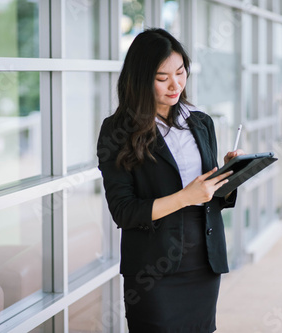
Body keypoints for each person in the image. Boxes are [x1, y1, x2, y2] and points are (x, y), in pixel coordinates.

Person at [96, 28, 244, 332]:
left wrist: (229, 175)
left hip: (203, 260)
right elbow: (124, 211)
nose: (175, 84)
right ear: (140, 79)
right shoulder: (117, 131)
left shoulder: (200, 122)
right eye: (162, 78)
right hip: (153, 269)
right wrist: (185, 197)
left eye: (180, 72)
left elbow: (210, 196)